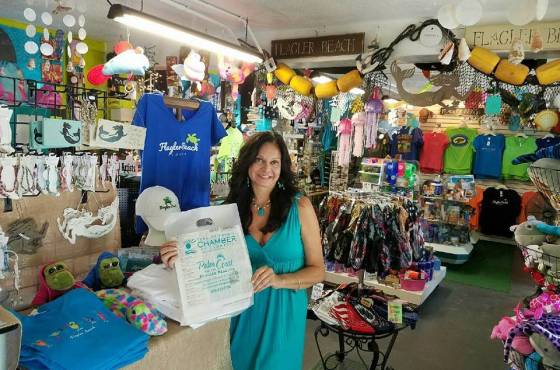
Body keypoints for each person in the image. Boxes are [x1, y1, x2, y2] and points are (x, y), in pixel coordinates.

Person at [160, 131, 325, 370]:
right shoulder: (227, 211)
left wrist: (279, 279)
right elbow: (205, 258)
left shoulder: (300, 206)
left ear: (282, 167)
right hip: (240, 315)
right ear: (248, 162)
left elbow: (318, 271)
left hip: (282, 317)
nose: (266, 168)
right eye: (259, 159)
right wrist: (179, 254)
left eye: (274, 162)